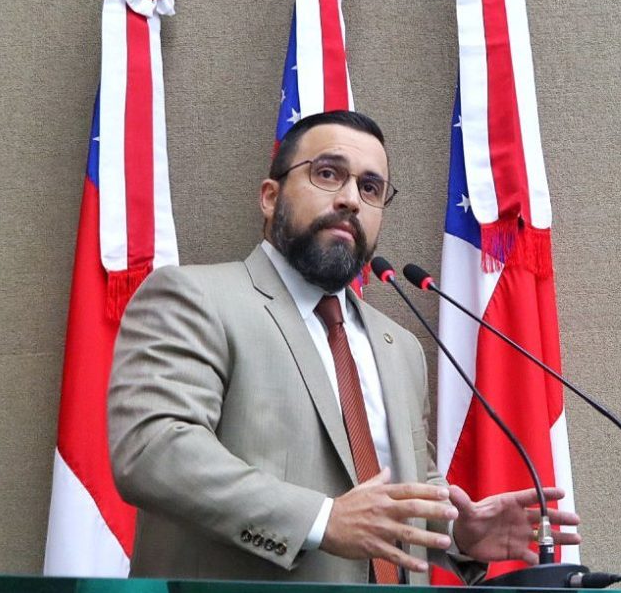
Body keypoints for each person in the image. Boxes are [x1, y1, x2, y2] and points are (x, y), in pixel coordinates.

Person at [107, 110, 580, 584]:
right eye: (328, 174)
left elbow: (400, 488)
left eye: (370, 188)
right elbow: (155, 452)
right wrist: (321, 520)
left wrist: (457, 531)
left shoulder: (400, 347)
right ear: (270, 197)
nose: (351, 199)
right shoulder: (197, 299)